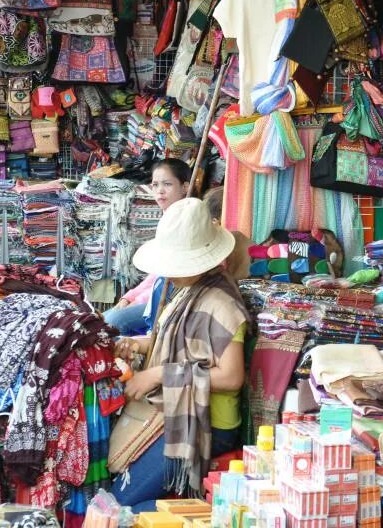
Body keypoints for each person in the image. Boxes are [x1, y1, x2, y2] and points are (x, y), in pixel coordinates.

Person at [112, 198, 250, 511]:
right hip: (176, 411)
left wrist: (159, 374)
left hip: (208, 424)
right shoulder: (187, 290)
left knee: (121, 505)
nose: (169, 272)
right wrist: (137, 344)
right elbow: (168, 337)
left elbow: (231, 377)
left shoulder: (222, 304)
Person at [104, 158, 192, 335]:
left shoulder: (186, 220)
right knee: (100, 320)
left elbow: (170, 278)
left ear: (185, 187)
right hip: (159, 292)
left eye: (167, 184)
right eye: (155, 185)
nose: (159, 191)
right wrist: (129, 297)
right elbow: (157, 273)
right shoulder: (167, 217)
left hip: (177, 297)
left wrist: (138, 300)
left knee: (110, 322)